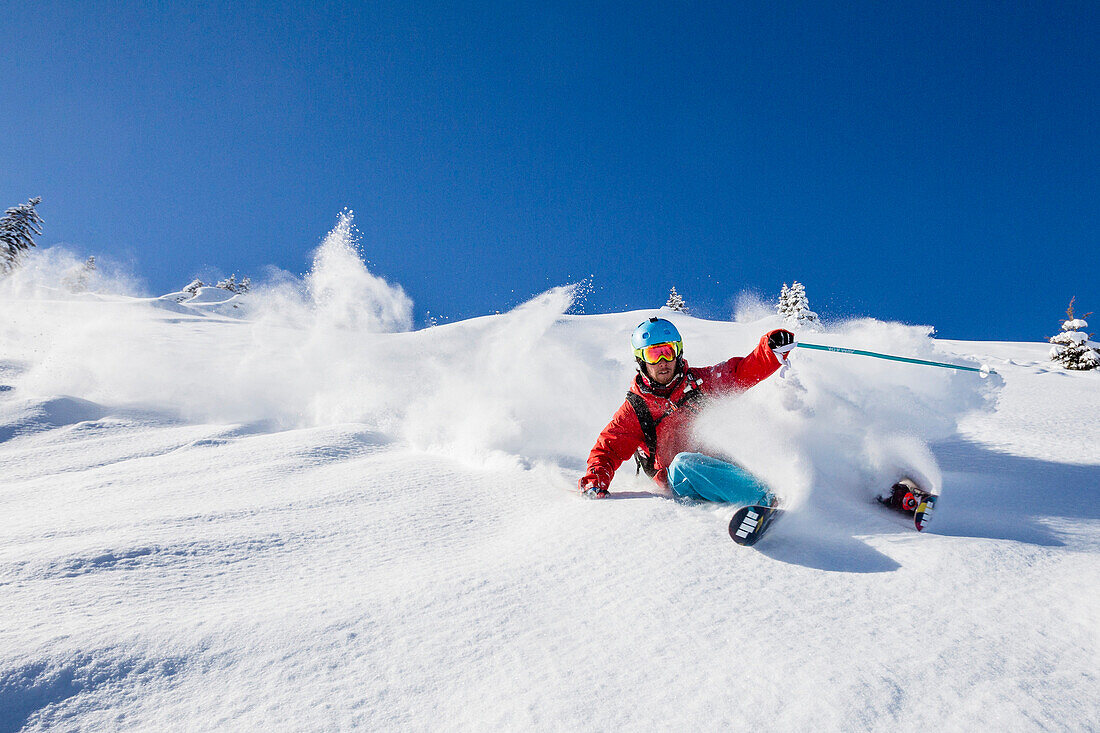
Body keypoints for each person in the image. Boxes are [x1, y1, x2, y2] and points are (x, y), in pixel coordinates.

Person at [579, 317, 796, 504]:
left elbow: (740, 373)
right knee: (685, 464)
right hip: (679, 478)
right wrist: (595, 482)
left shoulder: (699, 382)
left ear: (678, 352)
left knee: (742, 444)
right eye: (654, 355)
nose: (663, 362)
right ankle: (764, 500)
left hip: (715, 466)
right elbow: (608, 448)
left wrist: (770, 350)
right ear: (642, 360)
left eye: (668, 352)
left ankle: (777, 492)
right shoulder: (636, 407)